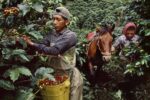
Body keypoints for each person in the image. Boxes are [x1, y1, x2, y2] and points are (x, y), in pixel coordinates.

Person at [22, 6, 83, 100]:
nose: (54, 22)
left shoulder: (71, 36)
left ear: (67, 22)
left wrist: (34, 44)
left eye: (58, 19)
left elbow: (54, 51)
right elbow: (42, 44)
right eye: (54, 19)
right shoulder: (52, 34)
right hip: (52, 73)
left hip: (67, 75)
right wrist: (36, 45)